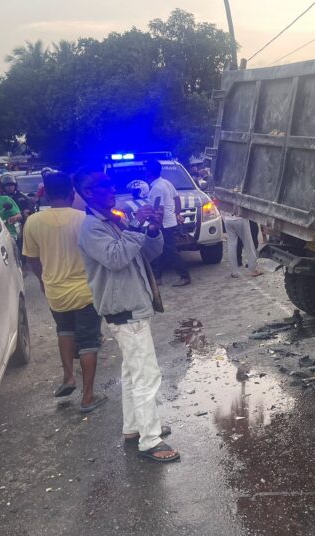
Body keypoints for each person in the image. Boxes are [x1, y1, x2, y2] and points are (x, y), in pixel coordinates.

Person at [75, 165, 179, 463]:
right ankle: (151, 440)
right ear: (86, 194)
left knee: (133, 373)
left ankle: (135, 428)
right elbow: (117, 258)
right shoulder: (91, 227)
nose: (111, 192)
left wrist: (153, 229)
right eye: (103, 188)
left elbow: (146, 253)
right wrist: (136, 227)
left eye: (111, 187)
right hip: (125, 310)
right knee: (147, 373)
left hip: (132, 306)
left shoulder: (114, 220)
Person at [22, 172, 106, 413]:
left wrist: (43, 280)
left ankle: (68, 378)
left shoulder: (33, 222)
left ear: (46, 194)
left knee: (65, 331)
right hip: (86, 290)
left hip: (56, 291)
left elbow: (32, 259)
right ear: (72, 193)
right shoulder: (84, 219)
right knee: (89, 341)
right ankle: (88, 397)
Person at [146, 159, 191, 287]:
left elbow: (158, 209)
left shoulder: (156, 188)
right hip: (169, 222)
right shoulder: (166, 183)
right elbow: (177, 199)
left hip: (163, 224)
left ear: (148, 172)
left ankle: (184, 276)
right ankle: (157, 277)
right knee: (159, 251)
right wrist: (177, 213)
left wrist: (154, 224)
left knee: (169, 252)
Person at [224, 212, 263, 279]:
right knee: (249, 244)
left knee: (231, 245)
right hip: (241, 219)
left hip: (228, 220)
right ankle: (253, 270)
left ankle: (234, 272)